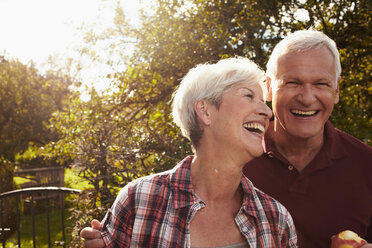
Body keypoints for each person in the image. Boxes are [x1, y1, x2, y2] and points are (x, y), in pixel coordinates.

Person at [80, 57, 298, 247]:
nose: (267, 112)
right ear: (205, 111)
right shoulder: (139, 200)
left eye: (263, 102)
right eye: (249, 96)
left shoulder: (276, 219)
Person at [243, 29, 372, 248]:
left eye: (321, 84)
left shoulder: (367, 165)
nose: (307, 98)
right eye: (292, 82)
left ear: (337, 90)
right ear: (268, 87)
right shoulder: (236, 158)